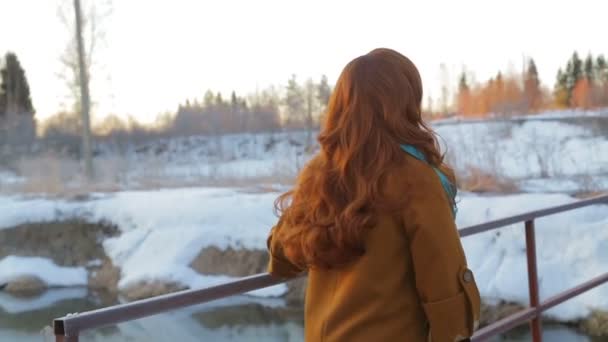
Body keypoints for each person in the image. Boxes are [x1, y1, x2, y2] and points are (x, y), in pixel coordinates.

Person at [266, 48, 481, 342]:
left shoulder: (320, 173)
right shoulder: (415, 177)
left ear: (342, 106)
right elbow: (446, 288)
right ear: (405, 103)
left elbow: (282, 259)